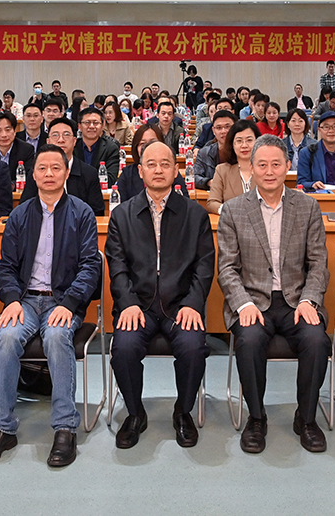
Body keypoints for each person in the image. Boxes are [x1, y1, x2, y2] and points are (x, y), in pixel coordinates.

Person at [0, 143, 100, 467]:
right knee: (6, 337)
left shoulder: (82, 213)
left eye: (56, 168)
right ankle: (1, 427)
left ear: (66, 172)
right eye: (42, 168)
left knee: (57, 338)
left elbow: (90, 266)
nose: (48, 174)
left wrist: (70, 303)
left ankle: (65, 428)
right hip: (26, 300)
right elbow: (7, 266)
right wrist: (12, 300)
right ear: (33, 174)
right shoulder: (20, 214)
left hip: (63, 301)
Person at [218, 134, 331, 454]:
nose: (269, 171)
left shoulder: (307, 206)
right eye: (262, 165)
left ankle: (306, 418)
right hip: (253, 301)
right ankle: (257, 418)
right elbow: (227, 269)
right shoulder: (233, 210)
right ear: (252, 167)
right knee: (249, 341)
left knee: (317, 341)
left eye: (276, 164)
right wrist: (242, 304)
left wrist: (309, 300)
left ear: (288, 166)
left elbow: (318, 263)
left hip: (296, 300)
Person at [106, 141, 214, 449]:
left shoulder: (195, 214)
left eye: (165, 164)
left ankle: (183, 411)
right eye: (151, 164)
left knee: (193, 348)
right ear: (140, 171)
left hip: (180, 305)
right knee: (123, 349)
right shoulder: (122, 214)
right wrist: (127, 303)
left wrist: (193, 303)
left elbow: (204, 266)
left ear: (176, 170)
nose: (158, 170)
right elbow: (117, 267)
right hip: (137, 305)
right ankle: (135, 413)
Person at [21, 117, 104, 216]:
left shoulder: (89, 173)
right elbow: (25, 209)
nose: (61, 140)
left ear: (74, 141)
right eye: (55, 135)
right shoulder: (38, 171)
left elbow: (97, 213)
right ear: (48, 141)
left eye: (66, 135)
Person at [115, 123, 187, 201]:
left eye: (153, 142)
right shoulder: (127, 174)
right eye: (142, 143)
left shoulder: (170, 171)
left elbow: (185, 202)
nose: (148, 147)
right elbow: (120, 205)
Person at [207, 119, 259, 215]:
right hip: (232, 221)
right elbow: (212, 203)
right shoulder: (222, 170)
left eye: (249, 140)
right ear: (232, 144)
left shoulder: (266, 169)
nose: (244, 145)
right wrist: (231, 211)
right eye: (239, 141)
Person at [0, 111, 35, 180]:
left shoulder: (26, 150)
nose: (4, 135)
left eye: (8, 130)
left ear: (15, 131)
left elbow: (28, 178)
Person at [192, 110, 235, 190]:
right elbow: (194, 177)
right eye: (219, 128)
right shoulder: (204, 153)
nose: (223, 131)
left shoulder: (243, 151)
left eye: (227, 127)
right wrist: (210, 182)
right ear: (213, 131)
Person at [76, 107, 121, 183]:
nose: (91, 126)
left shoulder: (111, 148)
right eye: (87, 122)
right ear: (79, 126)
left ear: (102, 125)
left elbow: (110, 179)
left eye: (96, 123)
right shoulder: (72, 147)